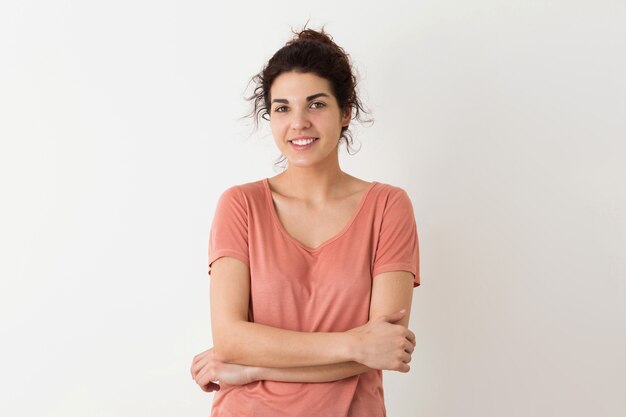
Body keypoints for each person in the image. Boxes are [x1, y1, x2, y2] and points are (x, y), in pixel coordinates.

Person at [191, 25, 420, 417]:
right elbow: (228, 338)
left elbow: (383, 347)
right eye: (282, 108)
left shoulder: (387, 207)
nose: (298, 122)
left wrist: (250, 367)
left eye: (316, 104)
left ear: (345, 111)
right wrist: (354, 343)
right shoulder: (240, 206)